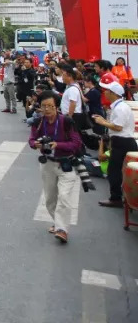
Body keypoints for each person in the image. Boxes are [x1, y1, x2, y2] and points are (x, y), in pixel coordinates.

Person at [28, 91, 82, 243]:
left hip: (66, 163)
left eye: (50, 106)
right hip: (48, 163)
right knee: (50, 199)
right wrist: (35, 144)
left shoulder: (66, 122)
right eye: (43, 106)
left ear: (57, 107)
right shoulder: (38, 121)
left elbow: (76, 143)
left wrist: (58, 144)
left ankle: (62, 229)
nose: (46, 109)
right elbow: (31, 139)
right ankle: (57, 222)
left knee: (64, 197)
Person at [91, 81, 137, 209]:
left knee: (114, 171)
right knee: (116, 170)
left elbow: (118, 127)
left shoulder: (120, 108)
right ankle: (118, 196)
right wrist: (104, 121)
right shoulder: (119, 106)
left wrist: (102, 122)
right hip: (122, 140)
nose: (105, 92)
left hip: (122, 141)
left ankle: (116, 198)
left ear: (113, 93)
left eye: (107, 91)